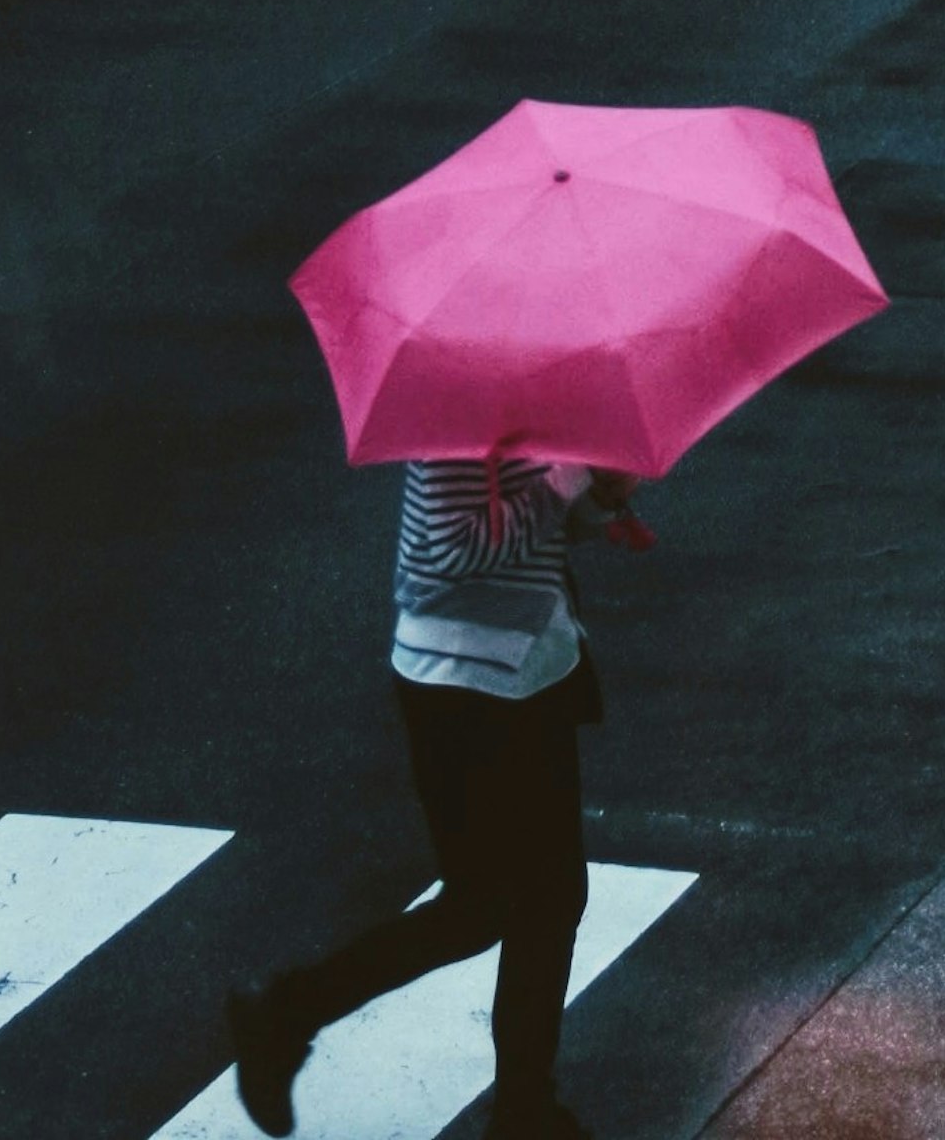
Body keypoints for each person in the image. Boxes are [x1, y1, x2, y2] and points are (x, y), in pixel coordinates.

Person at [227, 447, 642, 1135]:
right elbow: (452, 547)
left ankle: (517, 1107)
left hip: (529, 670)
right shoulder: (464, 408)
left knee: (527, 902)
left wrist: (600, 497)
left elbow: (541, 533)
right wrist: (568, 474)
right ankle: (518, 1109)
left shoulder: (530, 381)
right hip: (467, 687)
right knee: (498, 904)